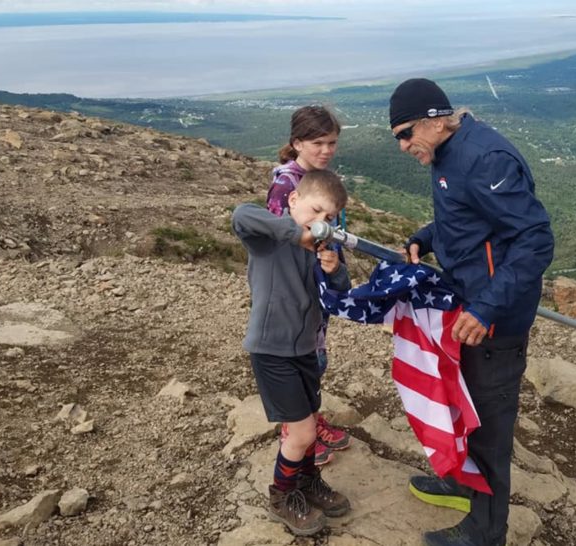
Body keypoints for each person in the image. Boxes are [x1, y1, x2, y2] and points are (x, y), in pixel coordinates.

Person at [388, 78, 555, 546]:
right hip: (466, 312)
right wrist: (425, 237)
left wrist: (485, 308)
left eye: (406, 133)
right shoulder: (446, 153)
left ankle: (485, 533)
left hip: (493, 322)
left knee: (487, 428)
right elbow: (463, 220)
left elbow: (535, 239)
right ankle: (460, 481)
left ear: (437, 119)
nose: (403, 146)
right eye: (398, 137)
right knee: (460, 408)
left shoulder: (485, 159)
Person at [232, 170, 352, 536]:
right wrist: (296, 233)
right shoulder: (269, 240)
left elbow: (341, 290)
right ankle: (282, 495)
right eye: (315, 211)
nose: (321, 224)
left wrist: (334, 271)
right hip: (272, 349)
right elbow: (241, 214)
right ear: (294, 201)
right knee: (300, 433)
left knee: (311, 423)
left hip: (304, 349)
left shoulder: (320, 251)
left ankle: (307, 481)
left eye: (329, 219)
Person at [267, 105, 350, 466]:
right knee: (299, 359)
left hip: (317, 286)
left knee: (315, 358)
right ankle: (296, 432)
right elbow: (275, 238)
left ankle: (310, 421)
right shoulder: (288, 183)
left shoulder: (319, 177)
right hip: (294, 292)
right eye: (317, 142)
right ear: (297, 143)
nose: (326, 150)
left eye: (331, 142)